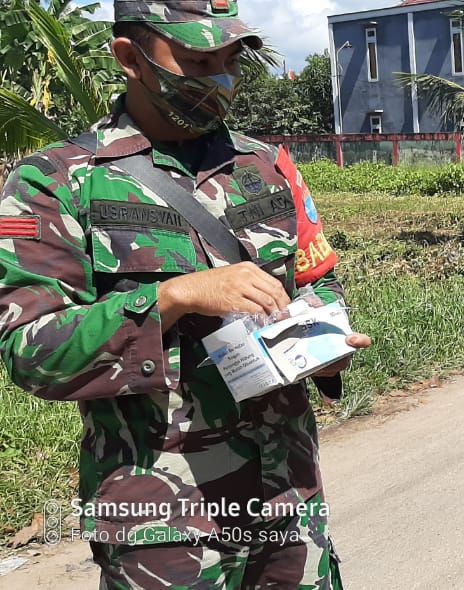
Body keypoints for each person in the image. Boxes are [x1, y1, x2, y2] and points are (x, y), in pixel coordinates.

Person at [0, 1, 371, 587]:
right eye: (198, 61)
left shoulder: (266, 165)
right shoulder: (56, 183)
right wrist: (172, 298)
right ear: (131, 58)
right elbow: (31, 353)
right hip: (163, 517)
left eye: (230, 60)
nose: (220, 79)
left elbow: (317, 276)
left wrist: (328, 338)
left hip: (288, 497)